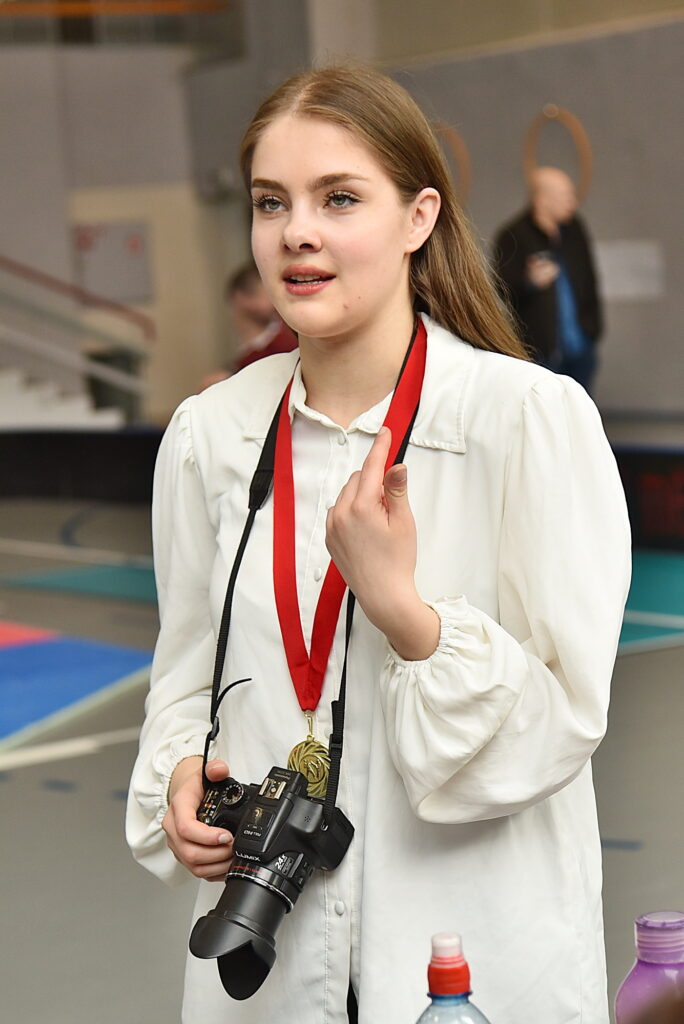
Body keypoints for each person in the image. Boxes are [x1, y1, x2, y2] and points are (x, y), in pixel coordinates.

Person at [126, 66, 631, 1024]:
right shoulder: (211, 436)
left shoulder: (525, 420)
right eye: (271, 202)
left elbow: (565, 720)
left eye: (339, 198)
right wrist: (184, 771)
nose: (296, 232)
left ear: (418, 218)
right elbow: (187, 677)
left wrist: (407, 615)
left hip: (472, 947)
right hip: (271, 958)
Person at [492, 166, 603, 393]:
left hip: (579, 343)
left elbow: (589, 280)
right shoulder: (513, 235)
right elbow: (502, 288)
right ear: (542, 200)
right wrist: (529, 282)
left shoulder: (574, 230)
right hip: (539, 347)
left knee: (580, 404)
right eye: (565, 196)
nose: (573, 203)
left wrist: (593, 329)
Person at [197, 261, 298, 390]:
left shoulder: (289, 343)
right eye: (266, 292)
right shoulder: (248, 355)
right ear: (239, 297)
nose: (275, 298)